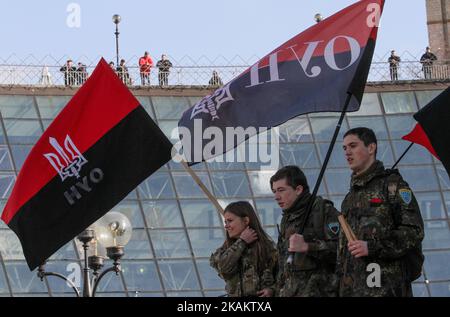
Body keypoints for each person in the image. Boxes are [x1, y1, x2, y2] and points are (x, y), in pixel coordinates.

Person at [337, 127, 424, 297]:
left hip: (387, 289)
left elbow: (414, 231)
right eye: (344, 148)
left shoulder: (393, 187)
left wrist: (372, 247)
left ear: (371, 148)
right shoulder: (349, 198)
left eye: (353, 146)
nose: (347, 152)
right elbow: (343, 253)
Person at [270, 166, 340, 297]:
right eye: (274, 191)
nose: (276, 197)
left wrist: (308, 247)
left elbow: (342, 252)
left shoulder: (323, 211)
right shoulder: (287, 218)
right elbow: (284, 264)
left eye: (281, 190)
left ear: (298, 189)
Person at [210, 201, 277, 297]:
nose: (226, 226)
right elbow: (223, 267)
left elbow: (283, 275)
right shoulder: (224, 250)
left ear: (246, 221)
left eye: (230, 221)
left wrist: (272, 290)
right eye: (225, 222)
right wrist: (242, 242)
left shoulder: (268, 247)